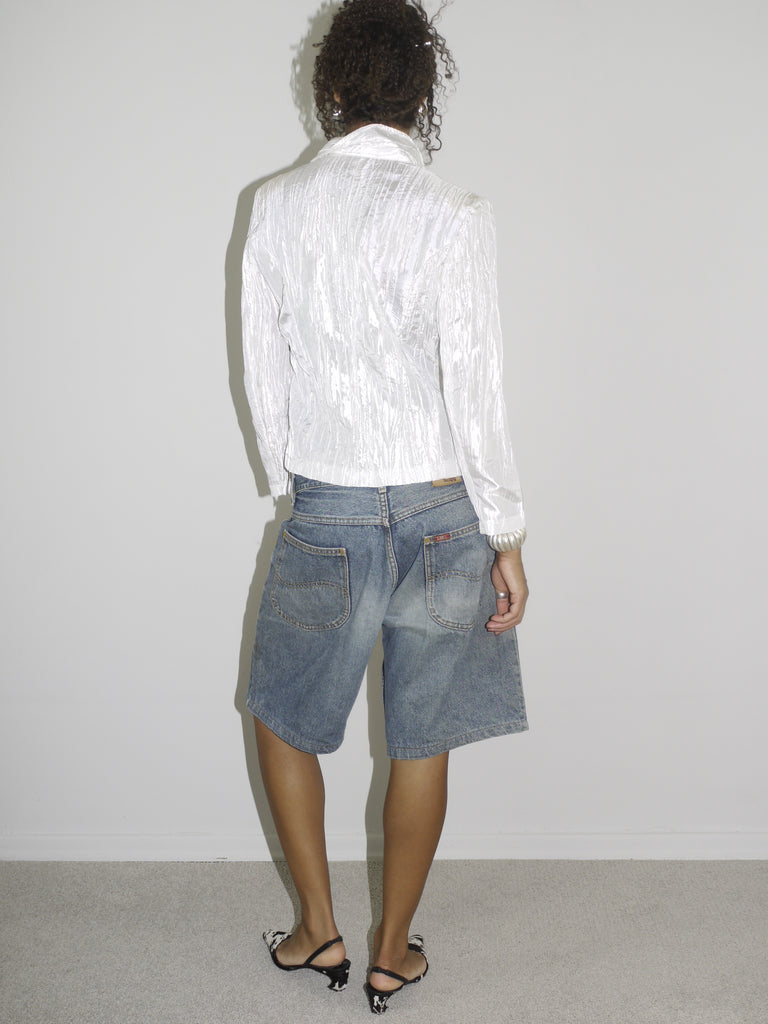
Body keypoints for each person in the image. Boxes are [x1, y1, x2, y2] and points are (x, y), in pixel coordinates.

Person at [241, 0, 529, 1013]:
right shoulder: (455, 214)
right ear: (423, 94)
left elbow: (261, 369)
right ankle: (391, 949)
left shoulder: (276, 205)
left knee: (281, 716)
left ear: (330, 90)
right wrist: (506, 530)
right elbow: (477, 388)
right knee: (421, 738)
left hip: (327, 504)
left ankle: (316, 928)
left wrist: (296, 488)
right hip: (445, 512)